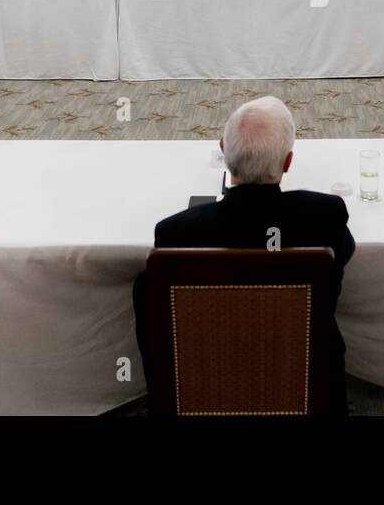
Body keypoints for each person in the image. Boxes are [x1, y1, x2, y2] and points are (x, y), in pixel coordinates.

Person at [134, 96, 355, 410]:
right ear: (288, 162)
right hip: (306, 389)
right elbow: (343, 257)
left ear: (224, 150)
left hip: (207, 384)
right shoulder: (325, 215)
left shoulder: (176, 232)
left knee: (144, 286)